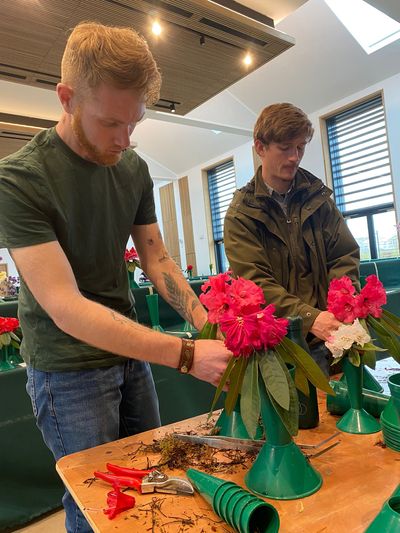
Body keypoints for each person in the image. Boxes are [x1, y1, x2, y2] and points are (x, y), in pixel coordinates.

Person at [0, 22, 231, 533]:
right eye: (110, 123)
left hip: (129, 357)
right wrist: (187, 354)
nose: (125, 140)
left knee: (149, 483)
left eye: (135, 123)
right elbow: (66, 306)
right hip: (67, 370)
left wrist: (208, 322)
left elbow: (158, 260)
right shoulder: (20, 178)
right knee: (98, 503)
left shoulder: (132, 168)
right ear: (66, 98)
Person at [224, 102, 360, 373]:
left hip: (332, 339)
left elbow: (344, 256)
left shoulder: (319, 198)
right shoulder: (241, 214)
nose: (294, 157)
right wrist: (310, 318)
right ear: (260, 147)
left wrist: (339, 308)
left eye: (300, 147)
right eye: (285, 148)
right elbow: (257, 285)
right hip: (278, 349)